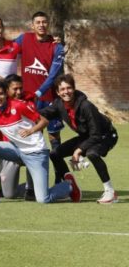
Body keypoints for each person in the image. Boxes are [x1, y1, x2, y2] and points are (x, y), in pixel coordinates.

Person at [0, 79, 80, 204]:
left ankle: (69, 185)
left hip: (36, 152)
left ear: (6, 93)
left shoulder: (18, 105)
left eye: (1, 94)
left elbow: (44, 121)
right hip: (16, 149)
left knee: (42, 199)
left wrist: (31, 130)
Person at [40, 75, 119, 204]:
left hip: (106, 135)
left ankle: (110, 192)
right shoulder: (58, 104)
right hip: (88, 136)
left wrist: (78, 150)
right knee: (54, 154)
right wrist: (24, 111)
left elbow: (96, 135)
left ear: (74, 88)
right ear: (58, 92)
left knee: (92, 153)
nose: (66, 92)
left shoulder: (86, 106)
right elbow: (43, 113)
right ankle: (71, 185)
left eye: (69, 88)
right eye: (63, 89)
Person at [13, 11, 66, 148]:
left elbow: (53, 75)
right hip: (28, 100)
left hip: (49, 99)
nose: (41, 25)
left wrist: (38, 93)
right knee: (33, 135)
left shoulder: (57, 46)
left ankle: (59, 169)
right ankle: (33, 169)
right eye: (38, 22)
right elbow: (6, 49)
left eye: (44, 22)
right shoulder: (24, 39)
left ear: (48, 24)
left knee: (54, 136)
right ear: (32, 25)